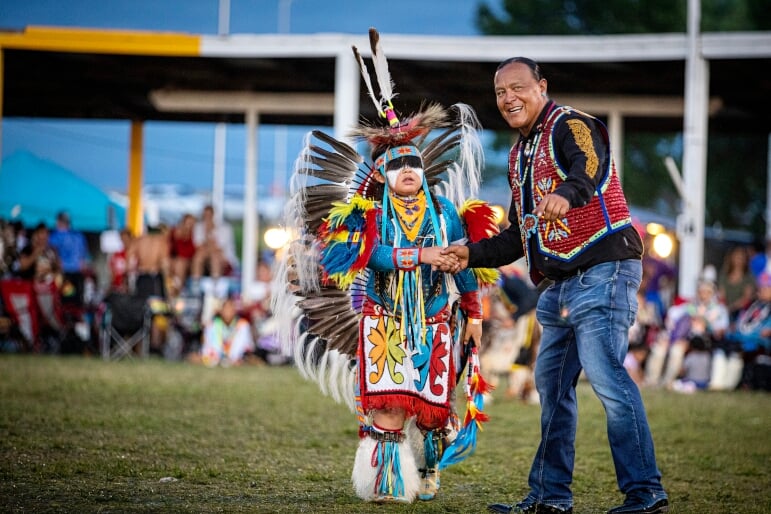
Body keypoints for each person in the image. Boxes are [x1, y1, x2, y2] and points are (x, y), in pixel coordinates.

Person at [271, 29, 498, 505]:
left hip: (436, 319)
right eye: (397, 166)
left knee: (433, 411)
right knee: (390, 409)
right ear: (385, 174)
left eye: (414, 162)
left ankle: (430, 467)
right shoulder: (368, 213)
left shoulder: (446, 213)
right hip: (384, 321)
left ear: (423, 167)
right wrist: (419, 256)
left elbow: (464, 266)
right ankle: (387, 484)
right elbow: (365, 255)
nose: (409, 171)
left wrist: (473, 314)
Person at [442, 57, 668, 514]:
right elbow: (515, 236)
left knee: (606, 377)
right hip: (559, 286)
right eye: (500, 92)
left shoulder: (571, 124)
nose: (508, 98)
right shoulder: (518, 155)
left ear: (542, 86)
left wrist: (567, 193)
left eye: (518, 87)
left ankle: (645, 492)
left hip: (605, 269)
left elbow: (591, 166)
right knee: (552, 390)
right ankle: (550, 498)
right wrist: (470, 252)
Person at [48, 211, 91, 305]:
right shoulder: (79, 235)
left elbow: (51, 254)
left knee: (66, 301)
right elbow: (85, 256)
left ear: (58, 221)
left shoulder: (55, 236)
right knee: (77, 301)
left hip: (64, 274)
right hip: (78, 273)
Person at [198, 297, 255, 367]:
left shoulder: (243, 325)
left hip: (237, 360)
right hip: (215, 359)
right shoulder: (212, 325)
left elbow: (248, 347)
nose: (228, 312)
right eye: (226, 309)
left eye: (230, 309)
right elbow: (207, 346)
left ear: (234, 311)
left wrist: (239, 359)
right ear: (221, 311)